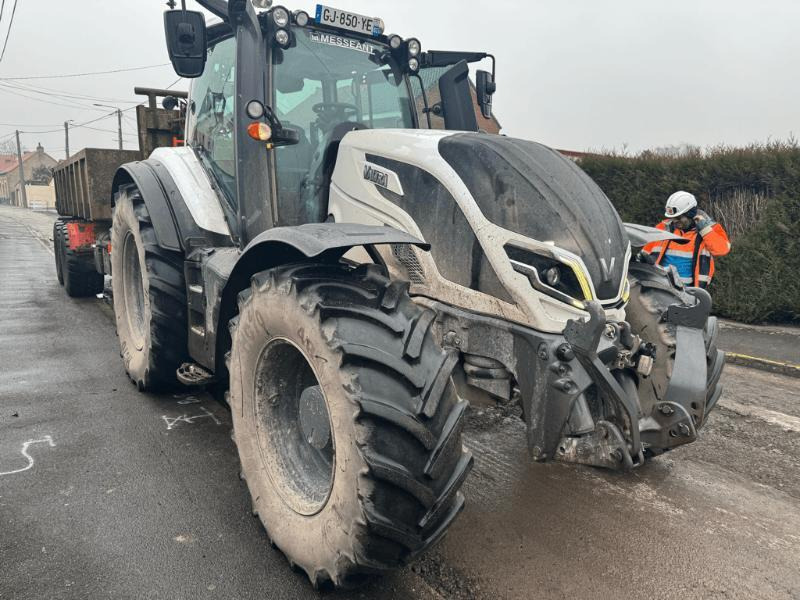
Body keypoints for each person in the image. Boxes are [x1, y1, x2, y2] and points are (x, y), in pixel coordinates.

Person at [644, 191, 731, 288]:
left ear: (691, 214)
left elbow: (722, 249)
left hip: (690, 294)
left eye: (678, 217)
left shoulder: (710, 229)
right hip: (660, 289)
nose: (675, 221)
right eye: (672, 218)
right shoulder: (663, 227)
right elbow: (645, 254)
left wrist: (704, 229)